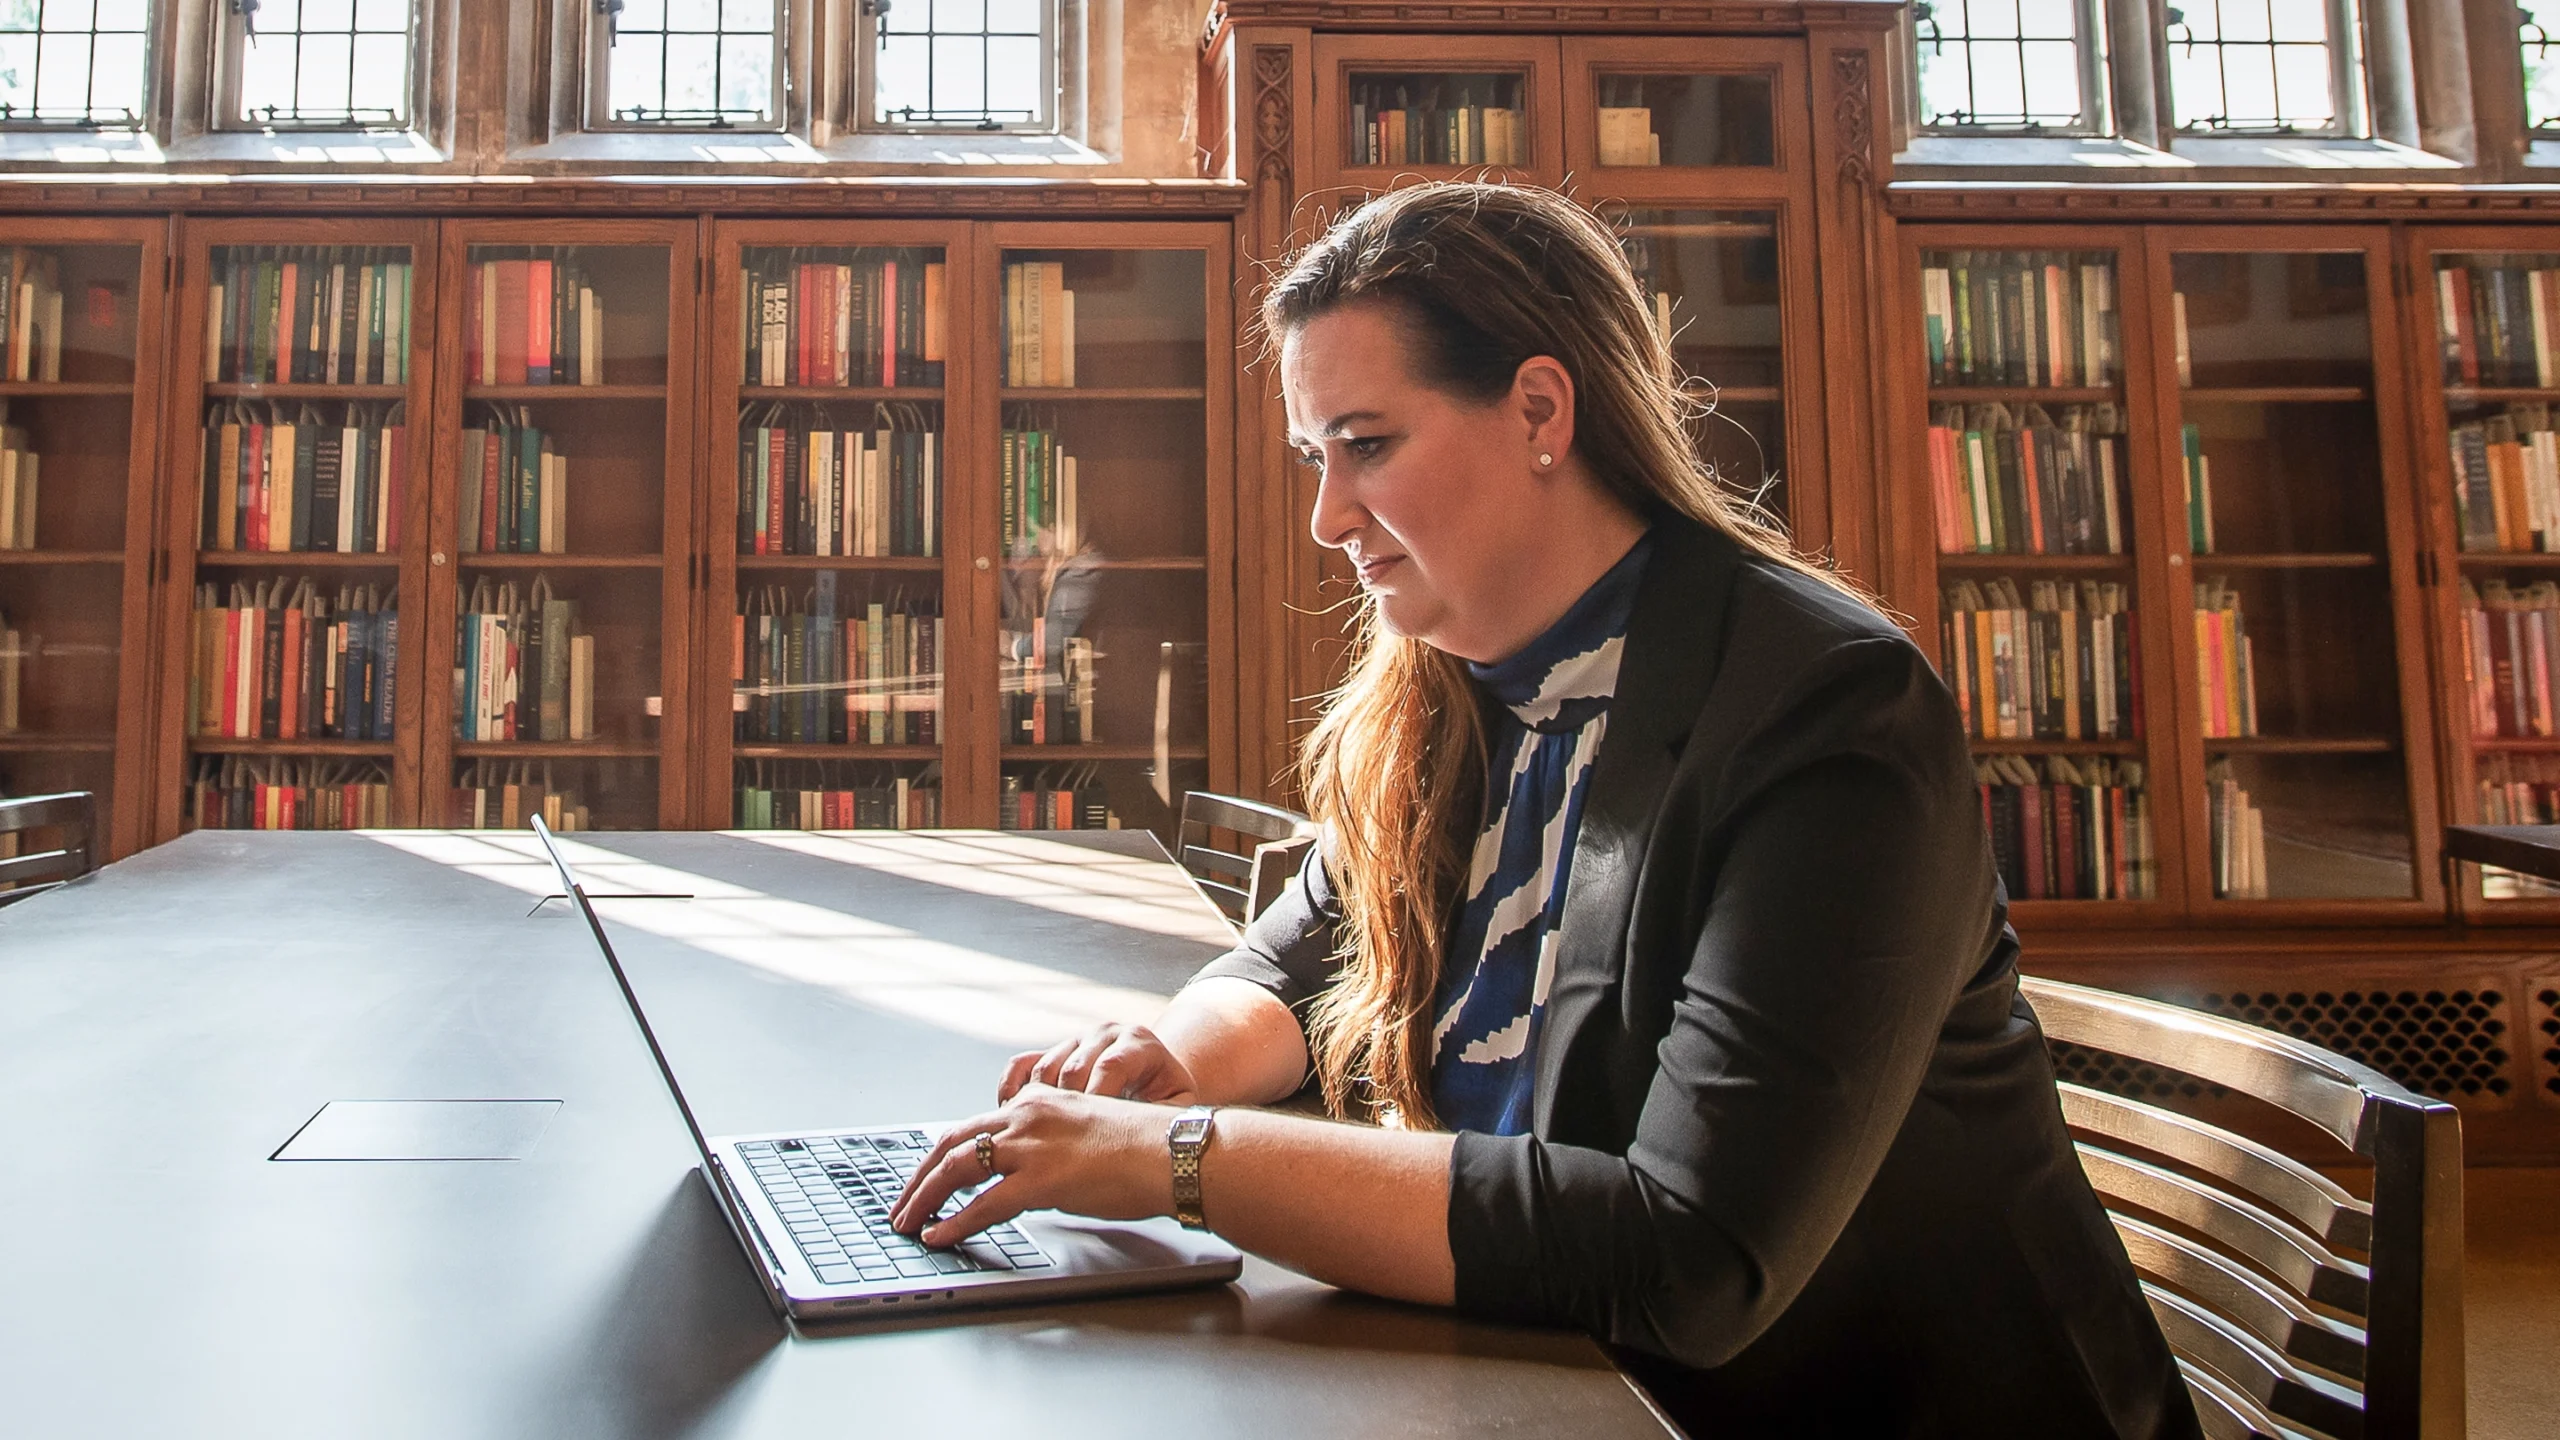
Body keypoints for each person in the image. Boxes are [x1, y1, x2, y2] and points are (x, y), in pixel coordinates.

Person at [891, 181, 2201, 1438]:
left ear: (1538, 409)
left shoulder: (1828, 712)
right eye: (1313, 452)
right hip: (1569, 1384)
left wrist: (1176, 1158)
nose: (1326, 514)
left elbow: (1689, 1258)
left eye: (1367, 445)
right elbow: (1301, 955)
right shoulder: (1459, 678)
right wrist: (1167, 1061)